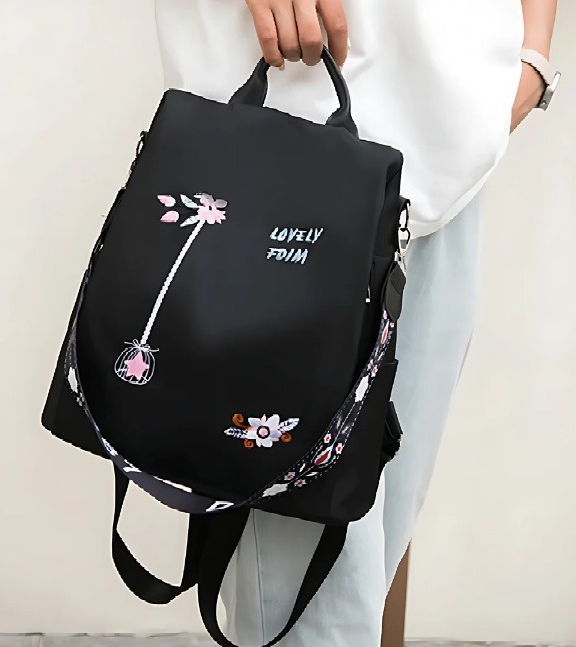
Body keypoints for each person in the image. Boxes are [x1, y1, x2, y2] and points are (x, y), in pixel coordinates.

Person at [153, 1, 560, 645]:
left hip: (451, 141)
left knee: (368, 574)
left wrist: (534, 49)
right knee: (310, 611)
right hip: (291, 129)